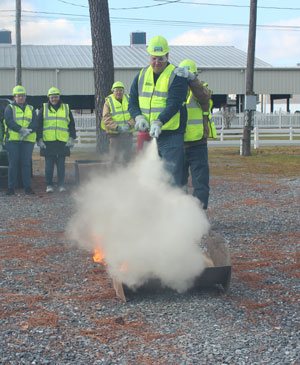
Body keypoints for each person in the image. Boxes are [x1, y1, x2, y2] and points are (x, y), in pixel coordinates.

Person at [128, 35, 190, 186]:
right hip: (149, 134)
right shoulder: (141, 76)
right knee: (149, 175)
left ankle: (173, 207)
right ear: (150, 56)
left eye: (161, 59)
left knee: (170, 177)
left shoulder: (177, 76)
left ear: (167, 56)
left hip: (171, 135)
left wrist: (159, 121)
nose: (157, 62)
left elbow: (174, 103)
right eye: (154, 58)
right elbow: (132, 102)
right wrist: (138, 117)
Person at [177, 59, 216, 210]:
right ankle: (180, 214)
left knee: (200, 183)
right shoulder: (175, 90)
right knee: (178, 183)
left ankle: (199, 214)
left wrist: (193, 81)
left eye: (190, 76)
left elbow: (204, 97)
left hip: (197, 144)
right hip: (178, 143)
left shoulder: (202, 91)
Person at [37, 87, 76, 193]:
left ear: (59, 97)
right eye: (52, 97)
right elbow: (39, 125)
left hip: (62, 141)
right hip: (48, 142)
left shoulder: (66, 108)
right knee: (49, 165)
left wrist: (72, 138)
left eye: (56, 97)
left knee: (61, 165)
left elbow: (71, 124)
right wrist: (39, 139)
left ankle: (61, 184)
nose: (54, 99)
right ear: (49, 98)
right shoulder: (44, 108)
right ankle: (49, 184)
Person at [3, 85, 37, 195]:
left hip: (27, 140)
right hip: (13, 140)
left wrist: (28, 131)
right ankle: (11, 187)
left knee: (26, 164)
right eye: (18, 96)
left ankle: (27, 187)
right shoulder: (10, 108)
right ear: (14, 97)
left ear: (25, 97)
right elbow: (9, 121)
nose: (21, 98)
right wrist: (21, 130)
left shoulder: (31, 108)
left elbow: (35, 122)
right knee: (13, 164)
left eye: (22, 96)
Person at [101, 81, 135, 164]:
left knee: (128, 156)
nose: (119, 92)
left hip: (127, 134)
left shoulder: (129, 100)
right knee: (114, 157)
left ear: (123, 91)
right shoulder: (108, 102)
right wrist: (117, 127)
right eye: (116, 90)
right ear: (113, 91)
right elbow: (106, 118)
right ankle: (113, 174)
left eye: (121, 90)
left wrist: (129, 125)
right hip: (114, 135)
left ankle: (128, 173)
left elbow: (134, 113)